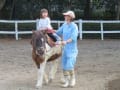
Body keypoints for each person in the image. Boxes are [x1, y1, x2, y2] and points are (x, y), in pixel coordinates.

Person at [56, 10, 78, 88]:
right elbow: (58, 32)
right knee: (64, 66)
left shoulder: (74, 26)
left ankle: (72, 79)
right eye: (65, 15)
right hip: (65, 50)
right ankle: (66, 81)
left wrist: (65, 41)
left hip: (72, 50)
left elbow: (73, 38)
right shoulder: (64, 25)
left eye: (67, 15)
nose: (65, 17)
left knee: (69, 65)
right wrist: (49, 31)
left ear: (71, 17)